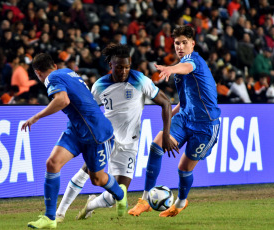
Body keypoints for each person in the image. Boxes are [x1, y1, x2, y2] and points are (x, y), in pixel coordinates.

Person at [55, 44, 177, 222]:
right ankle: (59, 213)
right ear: (110, 65)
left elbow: (166, 103)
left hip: (130, 145)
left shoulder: (140, 80)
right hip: (106, 138)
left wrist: (166, 135)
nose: (124, 71)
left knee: (118, 195)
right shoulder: (99, 85)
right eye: (119, 67)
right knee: (85, 172)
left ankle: (90, 205)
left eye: (127, 67)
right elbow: (88, 111)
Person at [22, 53, 127, 229]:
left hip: (96, 132)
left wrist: (36, 117)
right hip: (76, 129)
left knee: (98, 179)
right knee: (52, 163)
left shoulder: (51, 78)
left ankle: (120, 193)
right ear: (54, 65)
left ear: (38, 72)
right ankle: (50, 218)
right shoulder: (67, 72)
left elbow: (63, 100)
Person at [128, 25, 221, 217]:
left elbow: (186, 66)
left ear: (192, 44)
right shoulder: (179, 73)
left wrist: (170, 68)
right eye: (177, 43)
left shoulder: (193, 61)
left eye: (184, 43)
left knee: (184, 169)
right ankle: (145, 200)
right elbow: (184, 101)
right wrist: (170, 117)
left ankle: (179, 203)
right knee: (156, 146)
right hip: (186, 117)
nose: (180, 47)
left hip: (205, 126)